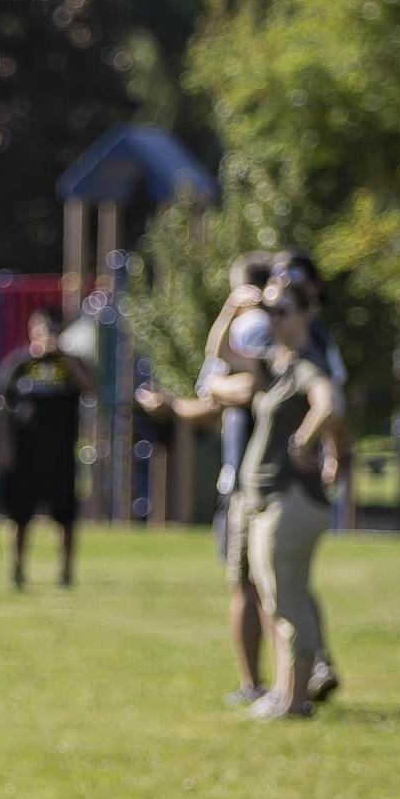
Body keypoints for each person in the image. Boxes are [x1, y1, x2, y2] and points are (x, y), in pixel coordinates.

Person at [137, 253, 279, 706]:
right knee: (272, 585)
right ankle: (286, 682)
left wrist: (173, 406)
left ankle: (267, 685)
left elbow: (225, 391)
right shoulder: (290, 329)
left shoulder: (248, 329)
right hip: (267, 474)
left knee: (252, 587)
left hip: (248, 477)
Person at [218, 275, 345, 719]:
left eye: (281, 311)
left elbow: (328, 403)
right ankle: (287, 694)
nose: (271, 318)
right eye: (268, 310)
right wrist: (233, 310)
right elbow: (223, 355)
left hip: (291, 500)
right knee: (276, 601)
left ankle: (295, 699)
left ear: (305, 314)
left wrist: (305, 441)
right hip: (268, 501)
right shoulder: (276, 362)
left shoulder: (308, 362)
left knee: (288, 603)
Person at [0, 310, 92, 588]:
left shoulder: (72, 363)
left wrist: (66, 358)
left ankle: (66, 573)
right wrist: (3, 445)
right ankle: (17, 570)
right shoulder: (20, 363)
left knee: (65, 515)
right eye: (39, 329)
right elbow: (0, 402)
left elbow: (90, 389)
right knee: (20, 514)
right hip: (24, 453)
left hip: (60, 453)